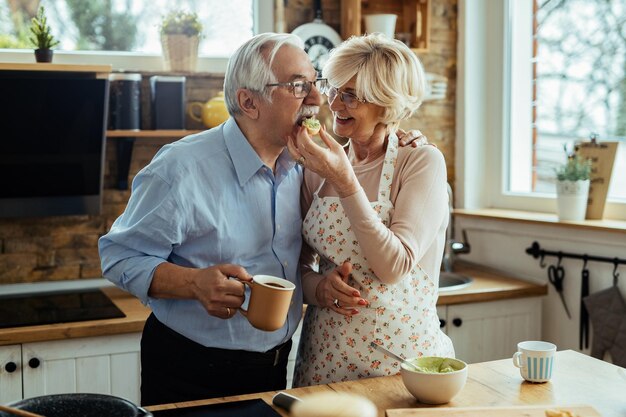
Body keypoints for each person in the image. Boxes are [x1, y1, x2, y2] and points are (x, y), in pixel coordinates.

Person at [99, 32, 425, 406]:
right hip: (190, 367)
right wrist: (194, 283)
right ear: (249, 102)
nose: (319, 100)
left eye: (315, 83)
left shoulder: (305, 165)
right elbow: (118, 257)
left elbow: (303, 257)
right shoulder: (181, 169)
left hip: (276, 365)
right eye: (299, 86)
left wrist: (320, 286)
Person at [288, 33, 455, 387]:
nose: (334, 104)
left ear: (387, 104)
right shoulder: (317, 166)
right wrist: (319, 287)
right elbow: (296, 263)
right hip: (324, 362)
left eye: (350, 96)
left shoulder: (421, 161)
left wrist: (345, 181)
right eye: (333, 89)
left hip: (400, 368)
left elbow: (393, 267)